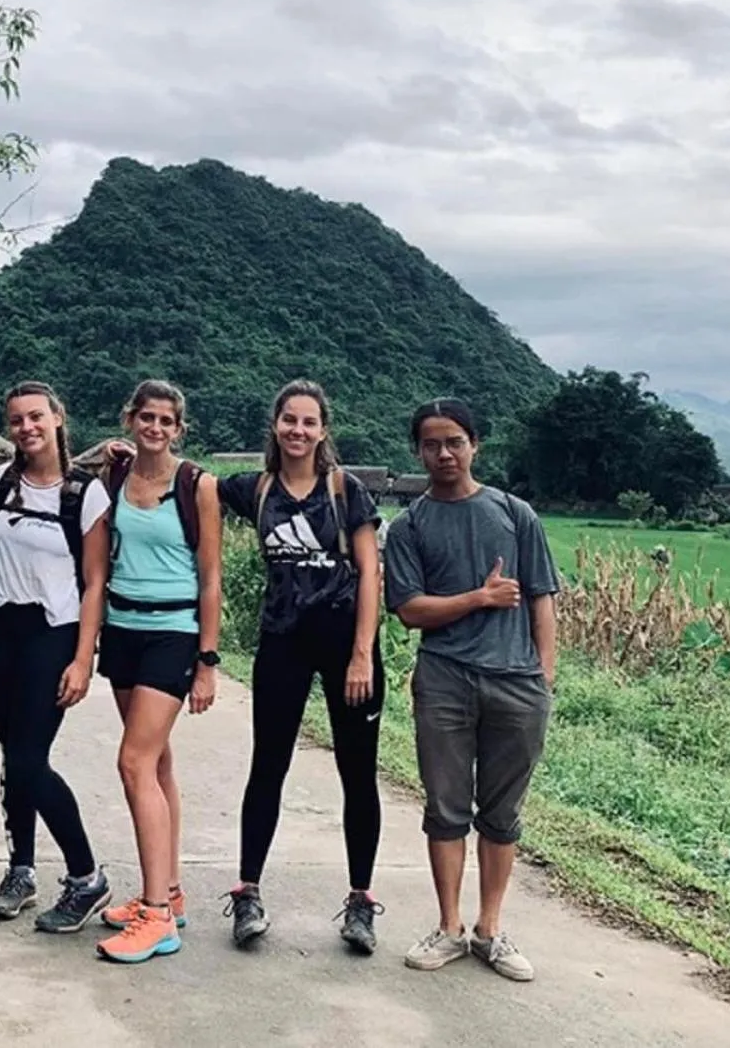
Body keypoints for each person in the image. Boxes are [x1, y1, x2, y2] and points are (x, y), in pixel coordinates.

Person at [383, 397, 560, 983]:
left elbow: (541, 595)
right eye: (431, 444)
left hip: (517, 683)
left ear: (474, 445)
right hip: (444, 681)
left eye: (454, 441)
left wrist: (544, 676)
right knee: (446, 807)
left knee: (503, 812)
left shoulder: (515, 513)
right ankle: (449, 925)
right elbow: (410, 610)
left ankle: (490, 928)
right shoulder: (409, 527)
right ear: (418, 451)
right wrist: (479, 599)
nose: (443, 453)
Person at [216, 380, 386, 953]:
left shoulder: (346, 490)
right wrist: (121, 458)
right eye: (289, 420)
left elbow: (370, 575)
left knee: (357, 774)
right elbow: (187, 485)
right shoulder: (257, 489)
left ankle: (361, 902)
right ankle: (247, 892)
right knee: (268, 766)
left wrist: (363, 653)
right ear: (275, 425)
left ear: (323, 430)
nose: (298, 431)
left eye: (308, 422)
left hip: (346, 648)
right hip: (283, 641)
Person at [0, 382, 113, 933]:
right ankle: (21, 870)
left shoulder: (86, 493)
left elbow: (96, 580)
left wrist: (83, 658)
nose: (26, 427)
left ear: (57, 418)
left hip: (52, 633)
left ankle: (86, 877)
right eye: (15, 420)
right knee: (14, 758)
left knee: (30, 759)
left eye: (36, 416)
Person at [93, 380, 222, 965]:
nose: (155, 428)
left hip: (172, 634)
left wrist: (208, 662)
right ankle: (168, 888)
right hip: (123, 627)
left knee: (133, 761)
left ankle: (156, 917)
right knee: (158, 760)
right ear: (130, 419)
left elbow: (211, 577)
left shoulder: (197, 485)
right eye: (146, 417)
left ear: (180, 428)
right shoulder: (115, 477)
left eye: (167, 420)